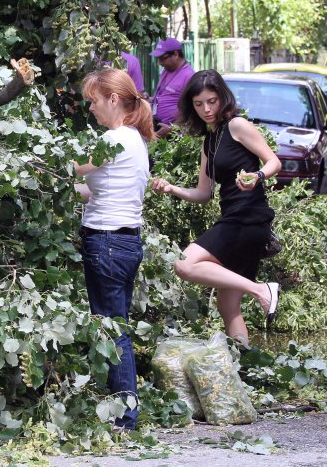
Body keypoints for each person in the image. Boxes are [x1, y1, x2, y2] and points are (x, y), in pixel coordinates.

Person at [150, 69, 282, 342]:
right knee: (227, 306)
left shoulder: (237, 126)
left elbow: (274, 162)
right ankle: (244, 372)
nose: (206, 109)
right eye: (199, 104)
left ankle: (262, 290)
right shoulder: (210, 141)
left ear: (222, 97)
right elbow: (203, 193)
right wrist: (171, 188)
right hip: (234, 218)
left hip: (248, 219)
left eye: (212, 101)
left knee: (184, 264)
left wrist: (257, 177)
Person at [75, 68, 157, 430]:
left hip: (106, 242)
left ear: (112, 99)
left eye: (93, 100)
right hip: (124, 242)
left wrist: (36, 164)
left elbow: (73, 170)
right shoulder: (134, 139)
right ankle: (123, 411)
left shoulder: (115, 139)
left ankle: (125, 419)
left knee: (112, 331)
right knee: (116, 326)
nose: (89, 108)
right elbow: (94, 190)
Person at [149, 37, 195, 138]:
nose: (159, 63)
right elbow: (165, 96)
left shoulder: (189, 76)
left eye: (162, 58)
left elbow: (191, 109)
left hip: (173, 134)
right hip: (158, 127)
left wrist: (172, 128)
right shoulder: (166, 70)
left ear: (175, 54)